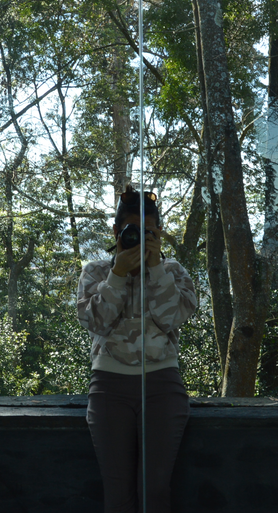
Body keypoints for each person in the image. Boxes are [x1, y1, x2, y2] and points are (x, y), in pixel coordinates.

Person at [76, 185, 198, 513]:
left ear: (159, 232)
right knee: (117, 494)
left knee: (155, 491)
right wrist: (117, 274)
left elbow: (172, 318)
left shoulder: (173, 272)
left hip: (162, 385)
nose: (140, 238)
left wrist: (156, 269)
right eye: (132, 230)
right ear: (116, 231)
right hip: (108, 387)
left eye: (148, 232)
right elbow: (96, 322)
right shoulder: (96, 272)